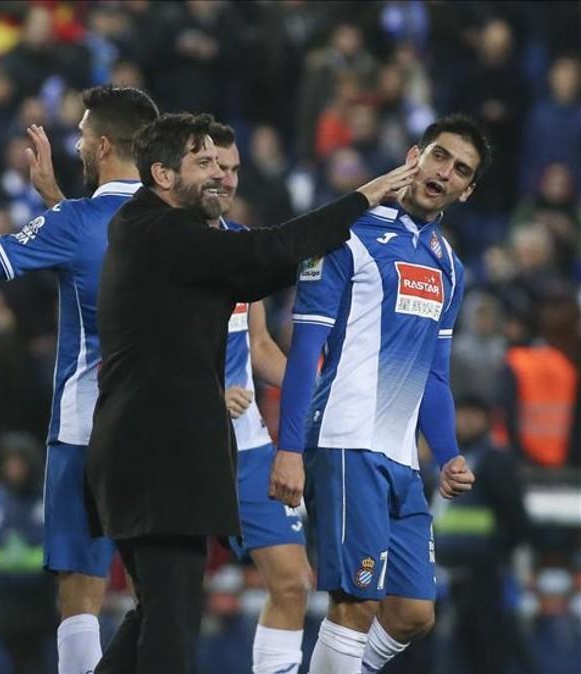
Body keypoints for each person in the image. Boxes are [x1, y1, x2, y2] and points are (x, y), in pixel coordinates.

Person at [86, 111, 418, 674]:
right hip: (158, 458)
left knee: (156, 612)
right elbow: (269, 252)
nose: (218, 174)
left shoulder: (155, 231)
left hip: (145, 453)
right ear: (163, 175)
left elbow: (262, 269)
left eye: (222, 163)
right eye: (204, 163)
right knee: (172, 623)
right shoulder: (163, 231)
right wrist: (362, 199)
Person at [0, 84, 160, 674]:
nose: (79, 142)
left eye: (85, 135)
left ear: (106, 145)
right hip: (162, 430)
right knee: (163, 589)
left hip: (86, 429)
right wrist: (59, 201)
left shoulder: (76, 222)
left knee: (82, 586)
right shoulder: (178, 221)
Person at [268, 114, 491, 674]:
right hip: (346, 441)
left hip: (399, 456)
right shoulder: (347, 234)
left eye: (460, 170)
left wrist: (449, 454)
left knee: (414, 611)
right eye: (440, 156)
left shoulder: (448, 265)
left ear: (468, 191)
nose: (444, 173)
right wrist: (289, 449)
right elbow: (304, 350)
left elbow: (435, 376)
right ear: (415, 155)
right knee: (357, 602)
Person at [208, 122, 313, 674]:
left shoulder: (244, 246)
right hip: (179, 450)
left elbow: (260, 345)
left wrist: (315, 388)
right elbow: (130, 356)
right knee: (163, 600)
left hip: (248, 449)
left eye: (233, 169)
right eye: (214, 167)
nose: (225, 178)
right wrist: (204, 392)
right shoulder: (154, 246)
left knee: (293, 583)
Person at [435, 395, 530, 674]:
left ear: (487, 420)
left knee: (487, 651)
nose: (465, 421)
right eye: (461, 414)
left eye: (473, 415)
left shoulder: (495, 460)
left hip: (483, 573)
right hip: (442, 570)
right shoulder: (442, 457)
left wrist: (496, 554)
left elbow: (516, 516)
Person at [0, 432, 57, 674]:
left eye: (19, 463)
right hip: (5, 597)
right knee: (12, 659)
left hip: (39, 597)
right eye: (9, 463)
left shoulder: (46, 498)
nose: (13, 469)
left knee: (37, 659)